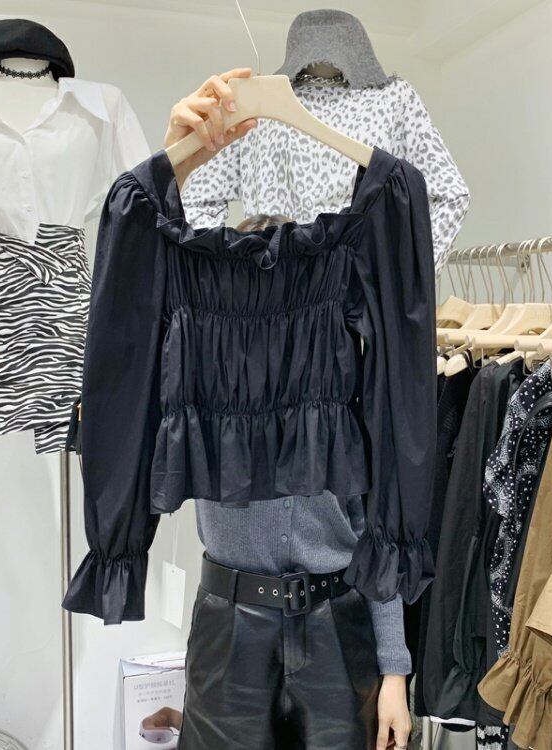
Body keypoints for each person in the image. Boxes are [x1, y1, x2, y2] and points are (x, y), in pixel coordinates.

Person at [164, 68, 413, 750]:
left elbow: (379, 525)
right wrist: (175, 155)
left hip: (338, 623)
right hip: (229, 625)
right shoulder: (205, 351)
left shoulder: (343, 358)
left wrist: (395, 668)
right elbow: (142, 263)